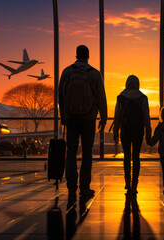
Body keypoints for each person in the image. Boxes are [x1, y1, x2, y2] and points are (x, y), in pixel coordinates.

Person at [59, 45, 107, 197]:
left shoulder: (67, 72)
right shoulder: (94, 74)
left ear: (76, 55)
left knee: (71, 151)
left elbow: (61, 95)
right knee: (87, 152)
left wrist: (63, 115)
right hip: (88, 118)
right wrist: (103, 118)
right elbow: (101, 97)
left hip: (71, 117)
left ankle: (71, 185)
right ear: (88, 56)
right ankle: (84, 186)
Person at [113, 75, 151, 195]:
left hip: (125, 131)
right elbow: (146, 116)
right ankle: (135, 183)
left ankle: (127, 182)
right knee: (136, 157)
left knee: (126, 157)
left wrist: (115, 131)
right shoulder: (143, 98)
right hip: (138, 131)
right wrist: (148, 131)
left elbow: (117, 116)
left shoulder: (121, 97)